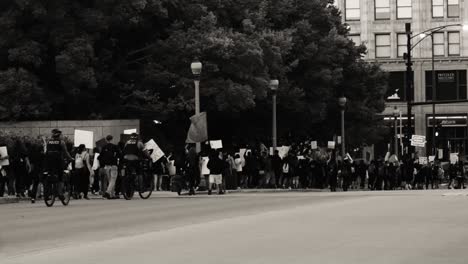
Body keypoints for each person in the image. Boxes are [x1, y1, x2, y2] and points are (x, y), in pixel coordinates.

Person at [44, 129, 73, 200]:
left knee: (48, 175)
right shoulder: (61, 142)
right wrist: (70, 159)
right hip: (58, 162)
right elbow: (65, 152)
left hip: (49, 162)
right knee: (61, 177)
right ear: (59, 135)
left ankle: (47, 192)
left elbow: (46, 152)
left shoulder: (48, 142)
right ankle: (60, 193)